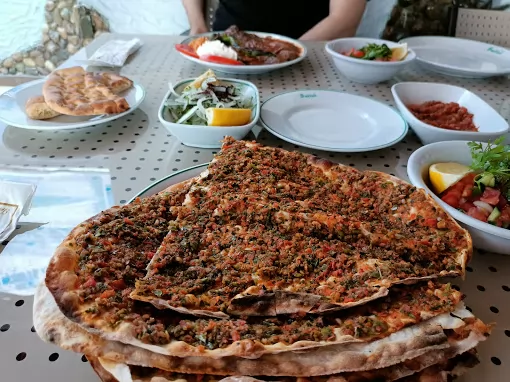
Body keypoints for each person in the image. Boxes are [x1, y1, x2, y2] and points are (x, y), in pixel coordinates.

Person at [182, 0, 367, 40]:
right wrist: (197, 26)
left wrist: (289, 52)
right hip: (223, 47)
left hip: (312, 57)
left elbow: (344, 20)